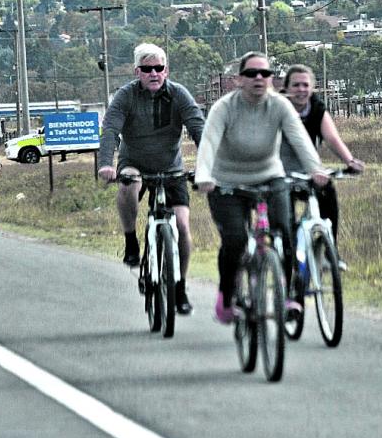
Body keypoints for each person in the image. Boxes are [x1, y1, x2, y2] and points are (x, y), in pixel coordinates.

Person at [195, 51, 329, 324]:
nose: (259, 78)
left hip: (270, 177)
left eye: (265, 73)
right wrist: (204, 176)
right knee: (235, 240)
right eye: (252, 73)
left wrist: (315, 169)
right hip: (226, 182)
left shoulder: (280, 106)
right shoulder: (225, 107)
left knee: (285, 230)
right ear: (238, 79)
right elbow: (208, 142)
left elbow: (300, 139)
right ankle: (227, 294)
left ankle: (291, 294)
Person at [98, 42, 205, 315]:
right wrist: (106, 165)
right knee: (129, 182)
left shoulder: (179, 94)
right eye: (147, 69)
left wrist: (208, 164)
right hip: (135, 164)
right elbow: (110, 129)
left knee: (181, 225)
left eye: (159, 68)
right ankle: (131, 240)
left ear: (166, 70)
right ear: (137, 72)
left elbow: (198, 128)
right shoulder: (126, 96)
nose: (154, 73)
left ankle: (179, 287)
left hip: (172, 169)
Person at [280, 64, 365, 245]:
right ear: (286, 88)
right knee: (284, 224)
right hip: (279, 171)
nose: (301, 90)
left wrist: (350, 161)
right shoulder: (276, 107)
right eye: (296, 85)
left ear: (312, 88)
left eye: (305, 85)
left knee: (327, 192)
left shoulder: (317, 109)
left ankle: (329, 249)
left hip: (308, 170)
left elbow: (332, 138)